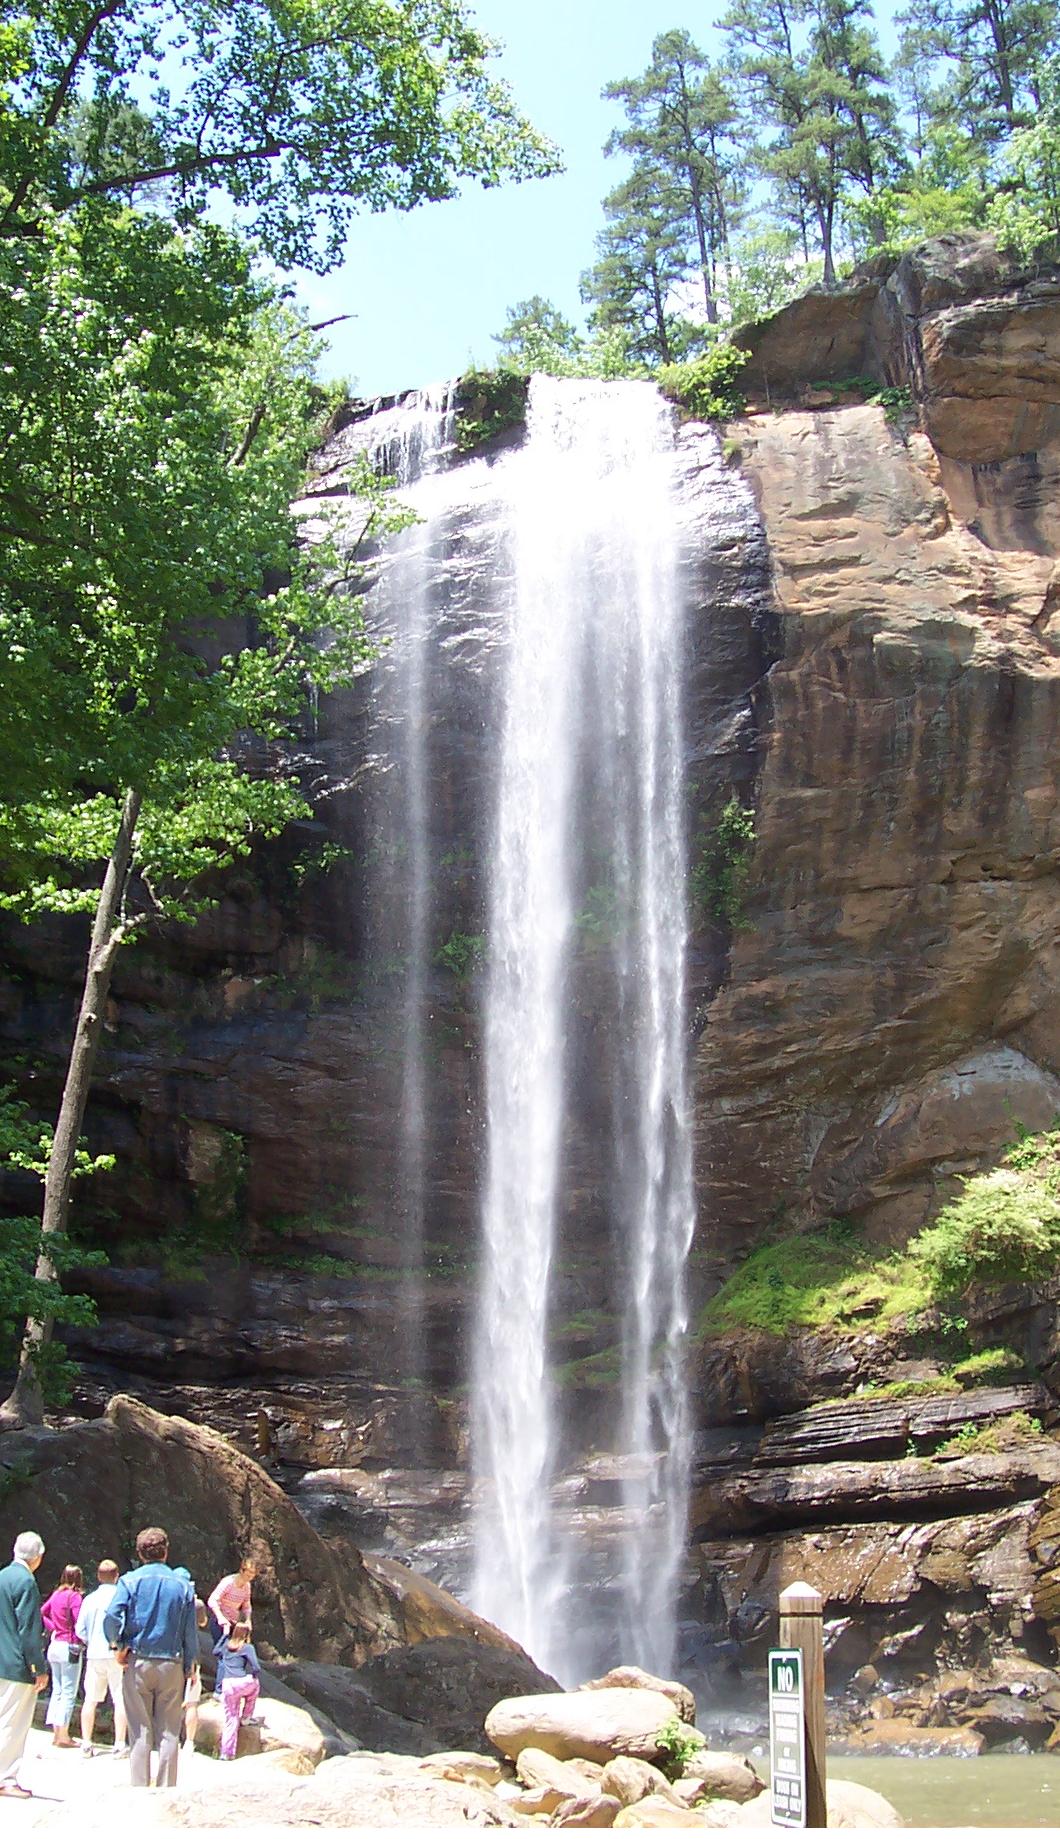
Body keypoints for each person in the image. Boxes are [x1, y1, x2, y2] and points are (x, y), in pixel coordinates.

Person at [103, 1526, 197, 1789]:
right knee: (169, 1732)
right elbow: (189, 1630)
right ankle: (166, 1791)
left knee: (139, 1730)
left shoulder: (129, 1581)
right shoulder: (182, 1585)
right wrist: (190, 1664)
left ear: (140, 1553)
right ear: (165, 1551)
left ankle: (139, 1790)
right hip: (172, 1662)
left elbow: (112, 1615)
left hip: (138, 1659)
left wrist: (117, 1644)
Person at [0, 1531, 48, 1801]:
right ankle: (5, 1778)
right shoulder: (26, 1581)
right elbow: (29, 1630)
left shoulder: (2, 1576)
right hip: (16, 1666)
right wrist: (38, 1668)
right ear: (37, 1557)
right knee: (12, 1724)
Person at [75, 1560, 128, 1757]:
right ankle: (119, 1744)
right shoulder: (121, 1598)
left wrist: (91, 1641)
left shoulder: (89, 1599)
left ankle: (86, 1743)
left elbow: (80, 1630)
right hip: (116, 1655)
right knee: (120, 1700)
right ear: (117, 1576)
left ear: (98, 1576)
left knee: (90, 1699)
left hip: (94, 1654)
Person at [41, 1564, 84, 1748]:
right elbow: (79, 1621)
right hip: (69, 1646)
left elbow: (42, 1612)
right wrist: (81, 1638)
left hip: (55, 1644)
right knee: (68, 1692)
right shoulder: (74, 1597)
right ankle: (64, 1735)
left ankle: (56, 1733)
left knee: (57, 1690)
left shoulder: (56, 1594)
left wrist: (53, 1628)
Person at [213, 1623, 260, 1761]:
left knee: (231, 1719)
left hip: (227, 1685)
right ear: (246, 1635)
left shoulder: (226, 1646)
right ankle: (246, 1717)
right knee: (255, 1685)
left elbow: (215, 1651)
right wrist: (253, 1676)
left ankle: (226, 1754)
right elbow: (256, 1667)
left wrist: (224, 1635)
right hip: (241, 1683)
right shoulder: (247, 1647)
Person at [207, 1556, 256, 1636]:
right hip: (219, 1622)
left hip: (233, 1622)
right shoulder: (228, 1582)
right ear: (242, 1571)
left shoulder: (247, 1586)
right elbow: (212, 1600)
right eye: (248, 1574)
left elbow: (246, 1605)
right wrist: (220, 1617)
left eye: (252, 1574)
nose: (250, 1577)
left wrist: (248, 1620)